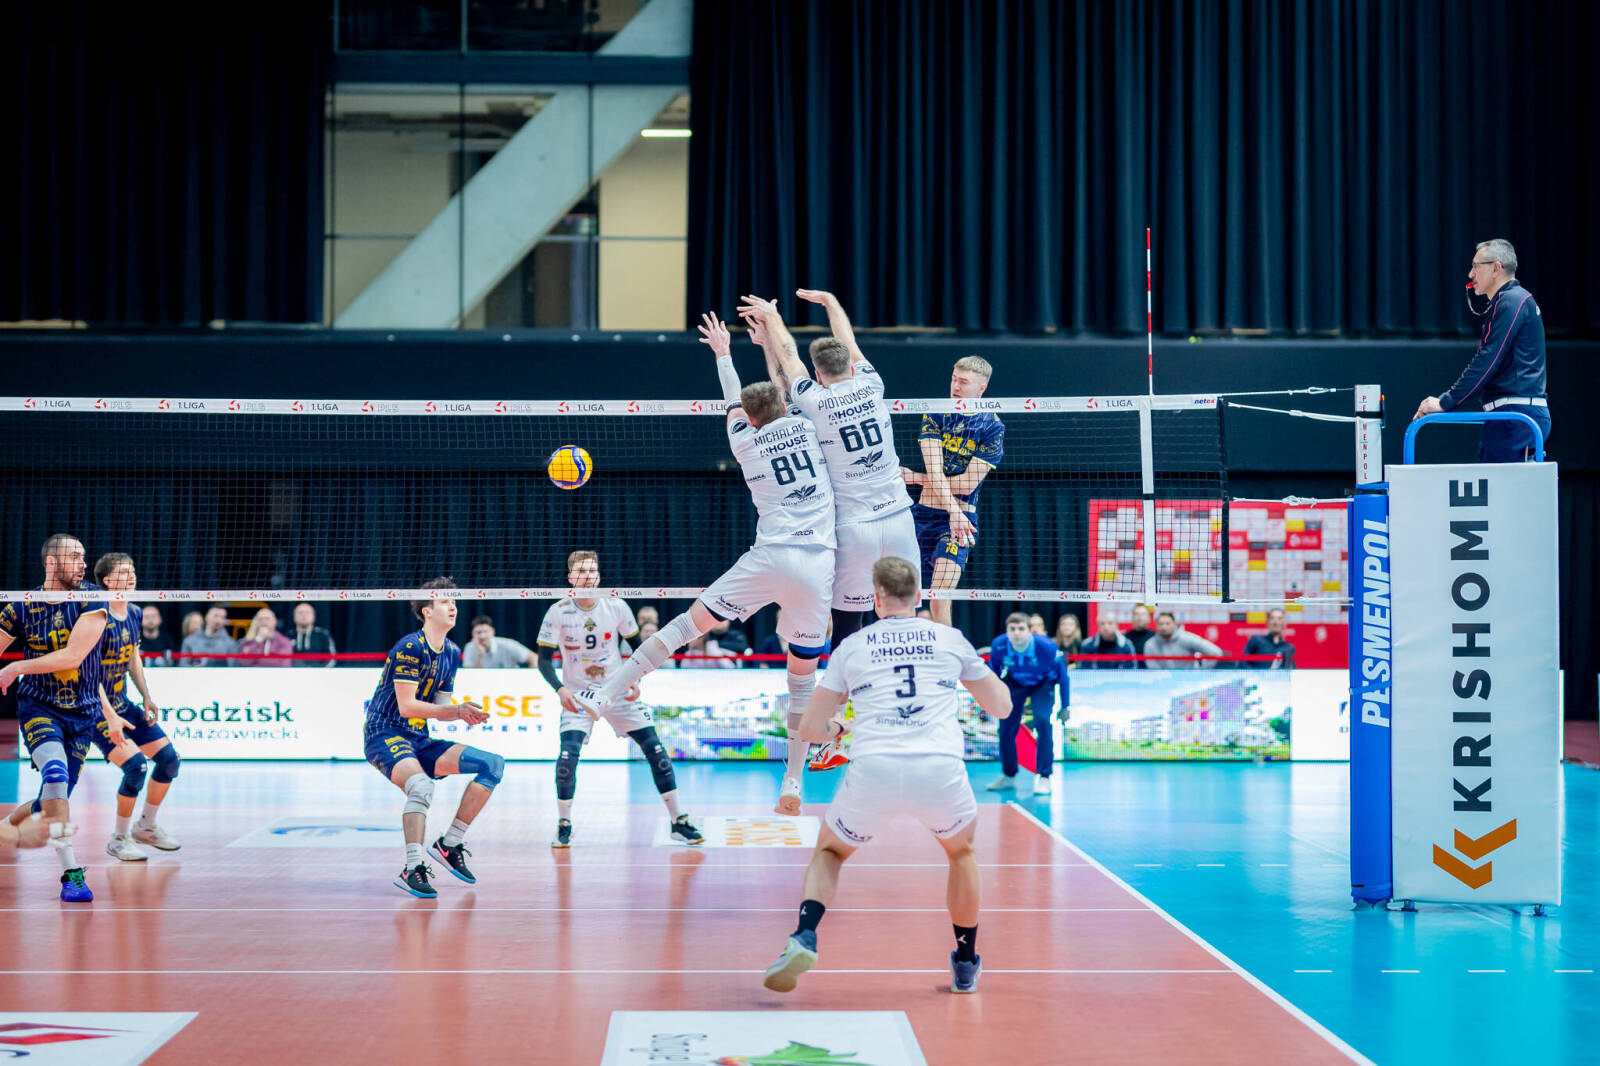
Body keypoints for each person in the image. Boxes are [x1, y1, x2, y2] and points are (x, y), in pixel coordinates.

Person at [576, 312, 836, 818]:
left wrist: (723, 352)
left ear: (751, 418)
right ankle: (793, 780)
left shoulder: (744, 440)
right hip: (817, 563)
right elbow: (784, 383)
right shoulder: (808, 427)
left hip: (770, 557)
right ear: (784, 408)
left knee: (683, 627)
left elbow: (733, 397)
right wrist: (768, 341)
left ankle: (603, 694)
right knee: (801, 679)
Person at [762, 557, 1011, 995]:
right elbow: (1003, 707)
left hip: (874, 765)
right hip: (937, 765)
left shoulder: (853, 646)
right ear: (918, 596)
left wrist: (839, 728)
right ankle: (965, 961)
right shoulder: (950, 640)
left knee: (831, 852)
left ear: (875, 598)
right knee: (961, 853)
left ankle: (804, 935)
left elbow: (809, 728)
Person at [739, 289, 918, 652]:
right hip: (899, 517)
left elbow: (789, 362)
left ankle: (841, 688)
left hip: (854, 527)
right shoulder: (872, 384)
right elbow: (849, 344)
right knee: (903, 616)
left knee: (848, 624)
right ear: (851, 368)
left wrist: (773, 321)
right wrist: (833, 303)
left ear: (817, 375)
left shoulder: (814, 401)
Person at [537, 550, 702, 849]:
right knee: (567, 758)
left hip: (616, 691)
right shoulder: (557, 611)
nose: (588, 577)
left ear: (599, 575)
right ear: (570, 578)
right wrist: (560, 689)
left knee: (656, 750)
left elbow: (640, 648)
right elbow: (544, 661)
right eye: (581, 572)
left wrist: (635, 679)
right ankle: (564, 823)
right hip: (579, 696)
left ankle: (678, 822)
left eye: (592, 571)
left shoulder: (616, 605)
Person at [362, 577, 503, 899]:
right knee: (421, 786)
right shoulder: (410, 646)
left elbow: (439, 708)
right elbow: (407, 706)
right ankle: (412, 867)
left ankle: (450, 843)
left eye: (454, 601)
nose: (452, 607)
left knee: (493, 765)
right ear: (427, 611)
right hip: (384, 732)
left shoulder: (452, 652)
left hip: (418, 738)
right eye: (444, 602)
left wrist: (463, 713)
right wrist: (456, 711)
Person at [0, 534, 113, 902]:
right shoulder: (20, 607)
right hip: (39, 707)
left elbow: (73, 656)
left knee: (52, 797)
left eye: (84, 556)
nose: (83, 563)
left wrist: (15, 667)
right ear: (51, 562)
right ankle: (71, 874)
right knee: (55, 774)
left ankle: (4, 828)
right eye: (74, 557)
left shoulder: (92, 598)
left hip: (83, 713)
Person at [81, 554, 184, 859]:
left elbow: (132, 657)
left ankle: (146, 827)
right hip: (95, 708)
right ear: (107, 580)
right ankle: (118, 838)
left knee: (169, 760)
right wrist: (109, 715)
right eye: (123, 572)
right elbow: (88, 672)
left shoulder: (135, 613)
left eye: (133, 570)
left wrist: (146, 695)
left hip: (123, 703)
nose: (131, 575)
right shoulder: (96, 616)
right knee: (136, 767)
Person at [1414, 239, 1549, 462]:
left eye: (1476, 266)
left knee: (1503, 484)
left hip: (1514, 419)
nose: (1470, 274)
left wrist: (1446, 401)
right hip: (1510, 418)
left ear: (1496, 268)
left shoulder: (1512, 301)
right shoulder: (1512, 301)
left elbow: (1487, 360)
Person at [900, 356, 1004, 628]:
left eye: (964, 382)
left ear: (981, 388)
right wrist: (953, 509)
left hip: (959, 525)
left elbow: (968, 484)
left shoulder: (992, 426)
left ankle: (947, 651)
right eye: (954, 379)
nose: (955, 386)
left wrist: (915, 478)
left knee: (939, 599)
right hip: (922, 516)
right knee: (903, 597)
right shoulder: (936, 412)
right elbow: (935, 472)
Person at [985, 612, 1070, 795]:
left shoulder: (1047, 647)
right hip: (1015, 682)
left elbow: (1063, 677)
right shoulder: (999, 645)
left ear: (1029, 630)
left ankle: (1044, 777)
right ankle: (1009, 775)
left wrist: (1065, 706)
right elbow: (993, 673)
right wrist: (991, 698)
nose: (1017, 633)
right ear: (1007, 630)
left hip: (1043, 683)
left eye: (1021, 628)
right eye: (1012, 629)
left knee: (1042, 721)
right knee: (1005, 726)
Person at [1142, 611, 1223, 669]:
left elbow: (1216, 652)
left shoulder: (1187, 638)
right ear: (1156, 625)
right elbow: (1152, 667)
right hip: (1163, 684)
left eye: (1167, 623)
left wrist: (1201, 671)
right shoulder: (1149, 645)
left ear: (1174, 624)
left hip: (1190, 683)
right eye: (1161, 624)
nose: (1164, 627)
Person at [461, 615, 535, 669]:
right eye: (478, 632)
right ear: (472, 634)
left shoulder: (507, 645)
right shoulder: (470, 647)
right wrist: (480, 655)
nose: (482, 636)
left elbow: (533, 658)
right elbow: (470, 675)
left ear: (492, 632)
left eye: (485, 632)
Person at [289, 603, 338, 668]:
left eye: (307, 612)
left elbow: (332, 658)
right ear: (294, 617)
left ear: (313, 616)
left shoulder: (323, 635)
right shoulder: (287, 636)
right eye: (300, 613)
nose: (304, 615)